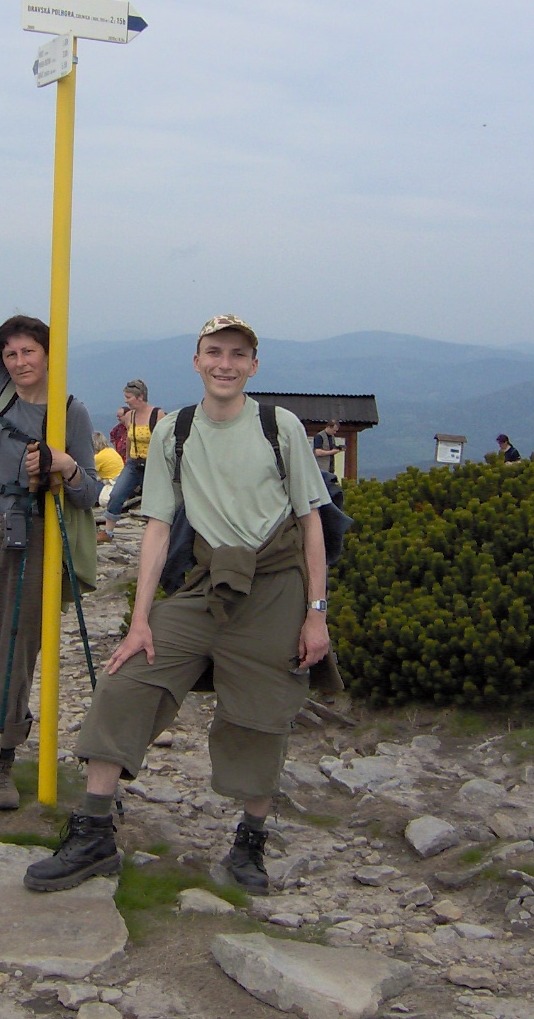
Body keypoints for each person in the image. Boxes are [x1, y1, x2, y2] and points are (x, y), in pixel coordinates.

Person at [24, 314, 331, 895]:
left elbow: (311, 522)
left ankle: (249, 844)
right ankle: (93, 834)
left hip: (276, 588)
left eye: (237, 354)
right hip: (205, 586)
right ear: (196, 361)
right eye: (214, 352)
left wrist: (316, 613)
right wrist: (140, 620)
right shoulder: (176, 431)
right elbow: (158, 526)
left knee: (262, 714)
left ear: (254, 365)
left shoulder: (280, 426)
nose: (225, 364)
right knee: (125, 681)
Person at [0, 182, 99, 821]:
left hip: (34, 535)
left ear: (49, 354)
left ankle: (4, 758)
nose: (18, 359)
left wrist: (63, 465)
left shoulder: (70, 411)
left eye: (29, 350)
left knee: (17, 655)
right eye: (10, 352)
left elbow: (89, 493)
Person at [98, 381, 165, 542]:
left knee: (154, 501)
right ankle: (108, 532)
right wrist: (128, 459)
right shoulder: (130, 416)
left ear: (140, 397)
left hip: (152, 464)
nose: (126, 401)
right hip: (133, 463)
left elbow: (164, 441)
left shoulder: (157, 415)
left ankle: (157, 535)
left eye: (128, 397)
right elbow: (129, 438)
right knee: (116, 494)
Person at [92, 431, 124, 508]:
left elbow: (88, 471)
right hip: (120, 482)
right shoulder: (111, 450)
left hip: (111, 484)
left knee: (90, 486)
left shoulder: (98, 457)